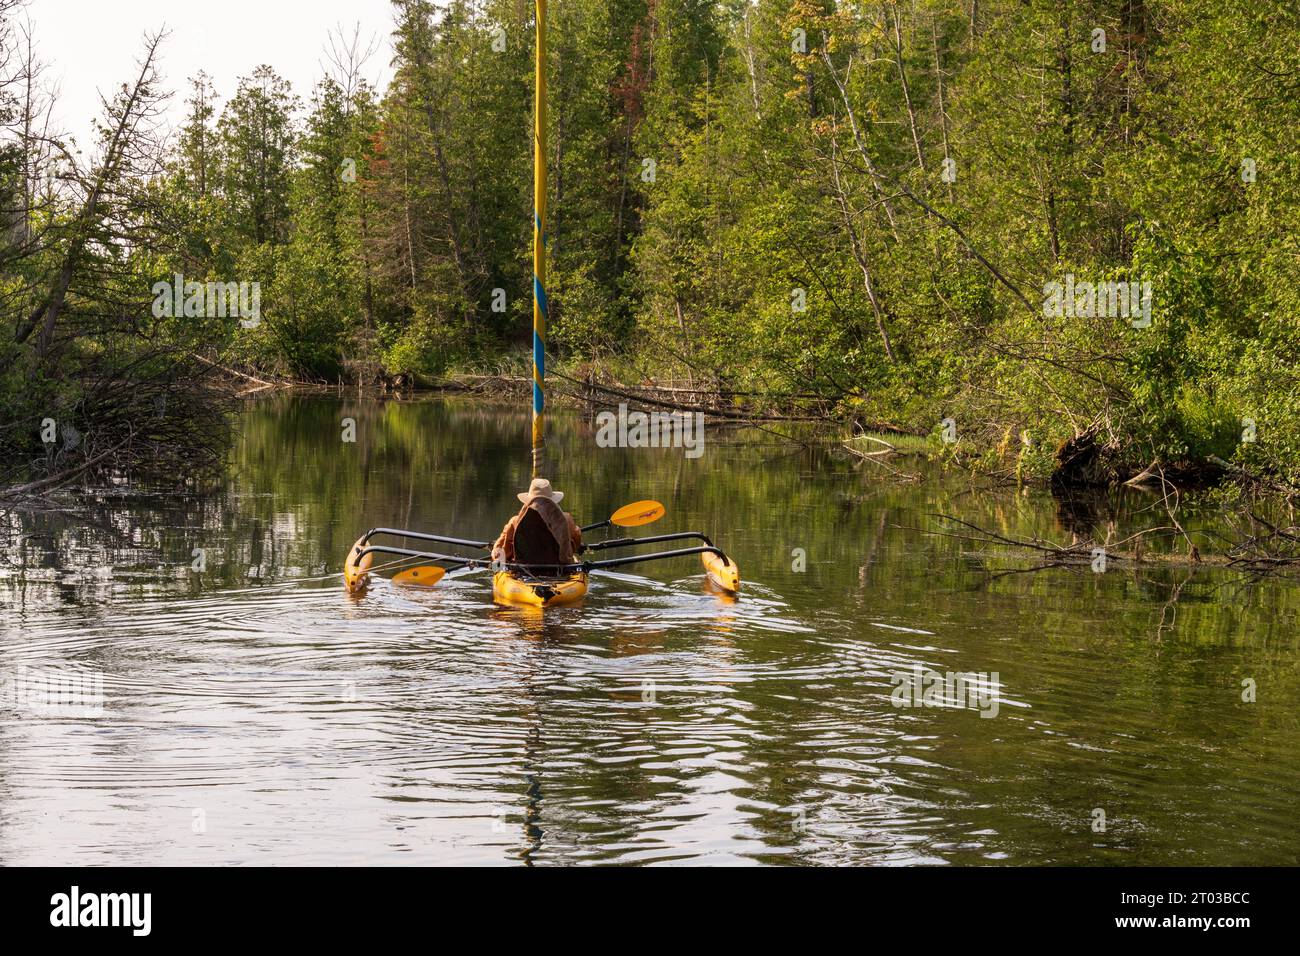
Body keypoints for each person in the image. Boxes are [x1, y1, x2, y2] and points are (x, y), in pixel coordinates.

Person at [491, 478, 582, 568]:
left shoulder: (515, 521)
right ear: (553, 500)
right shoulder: (566, 519)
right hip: (559, 570)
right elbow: (576, 543)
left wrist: (495, 550)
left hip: (523, 572)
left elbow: (501, 552)